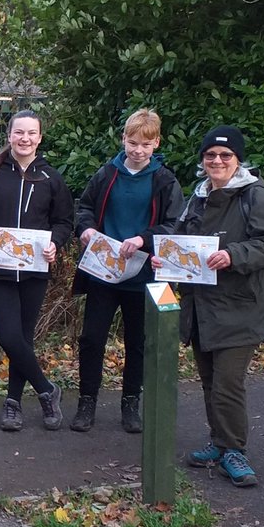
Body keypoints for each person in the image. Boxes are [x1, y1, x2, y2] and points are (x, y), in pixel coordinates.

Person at [152, 125, 264, 487]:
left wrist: (233, 255)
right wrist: (166, 259)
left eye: (225, 155)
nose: (217, 160)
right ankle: (219, 441)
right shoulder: (197, 196)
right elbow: (183, 242)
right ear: (203, 160)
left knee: (228, 383)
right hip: (201, 308)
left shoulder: (253, 195)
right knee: (210, 381)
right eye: (210, 155)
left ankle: (234, 451)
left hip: (240, 308)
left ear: (238, 159)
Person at [71, 109, 184, 433]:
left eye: (145, 145)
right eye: (132, 143)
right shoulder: (108, 173)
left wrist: (143, 239)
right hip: (103, 273)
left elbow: (174, 224)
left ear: (156, 143)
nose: (137, 150)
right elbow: (85, 207)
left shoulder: (164, 180)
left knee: (137, 342)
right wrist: (86, 230)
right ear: (123, 139)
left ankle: (130, 403)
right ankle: (86, 402)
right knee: (92, 339)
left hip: (143, 274)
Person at [0, 110, 74, 431]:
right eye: (19, 132)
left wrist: (56, 242)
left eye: (31, 133)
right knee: (9, 336)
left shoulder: (52, 178)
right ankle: (47, 390)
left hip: (34, 271)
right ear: (9, 135)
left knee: (23, 339)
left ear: (40, 138)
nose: (25, 138)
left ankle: (13, 403)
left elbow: (64, 221)